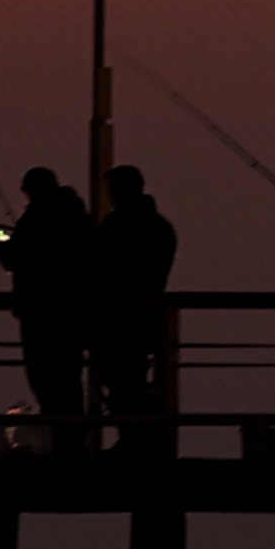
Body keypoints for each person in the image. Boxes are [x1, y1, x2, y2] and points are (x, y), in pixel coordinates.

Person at [0, 167, 92, 454]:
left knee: (45, 378)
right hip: (71, 314)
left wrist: (1, 243)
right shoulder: (77, 217)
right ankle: (73, 438)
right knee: (69, 378)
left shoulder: (35, 219)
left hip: (40, 314)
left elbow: (13, 259)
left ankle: (66, 440)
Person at [90, 164, 180, 454]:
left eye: (112, 190)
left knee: (121, 382)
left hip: (118, 320)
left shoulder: (118, 226)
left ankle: (136, 440)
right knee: (133, 380)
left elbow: (99, 265)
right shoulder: (160, 227)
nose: (110, 196)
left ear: (126, 189)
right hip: (146, 318)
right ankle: (145, 439)